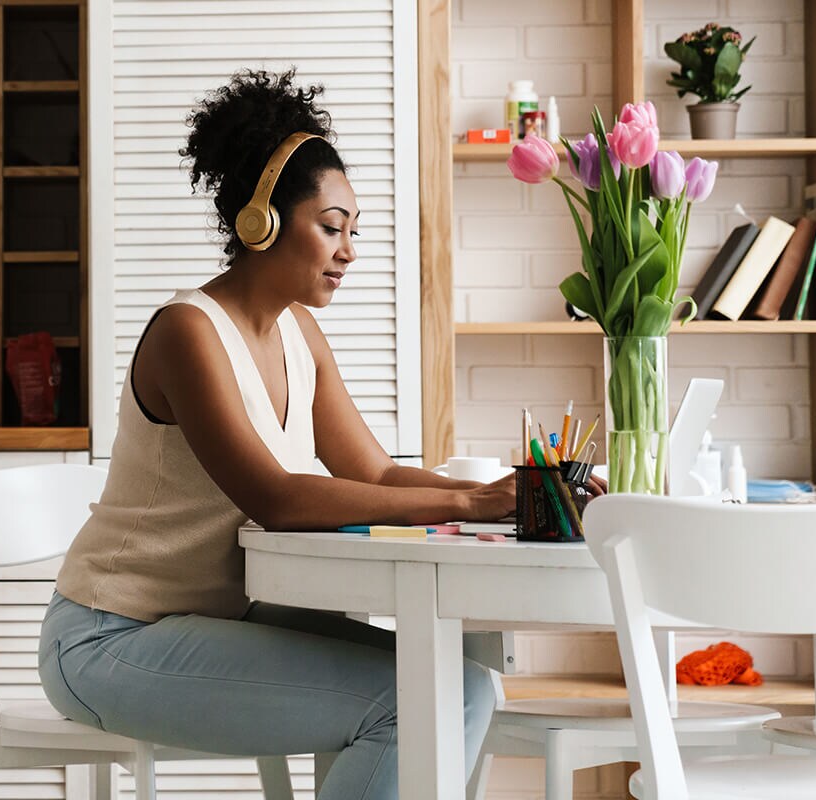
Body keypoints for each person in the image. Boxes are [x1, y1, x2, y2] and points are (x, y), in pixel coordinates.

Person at [38, 69, 512, 800]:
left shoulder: (301, 334)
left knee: (467, 687)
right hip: (111, 638)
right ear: (259, 220)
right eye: (331, 227)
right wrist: (469, 508)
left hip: (207, 623)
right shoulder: (187, 333)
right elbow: (279, 498)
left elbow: (378, 475)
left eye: (355, 230)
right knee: (409, 701)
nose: (349, 250)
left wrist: (502, 495)